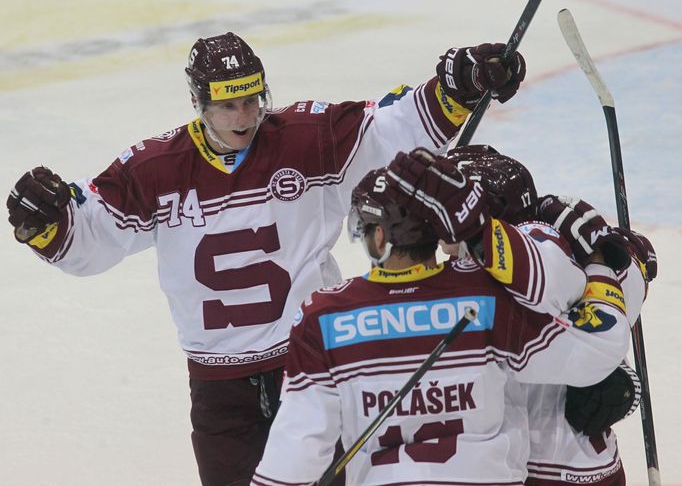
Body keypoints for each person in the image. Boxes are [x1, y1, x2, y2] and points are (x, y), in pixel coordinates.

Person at [5, 32, 526, 485]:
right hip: (218, 385)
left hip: (309, 365)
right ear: (197, 102)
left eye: (252, 100)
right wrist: (47, 224)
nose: (245, 115)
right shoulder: (155, 170)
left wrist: (456, 88)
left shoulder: (306, 139)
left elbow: (390, 127)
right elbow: (89, 241)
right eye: (228, 105)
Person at [251, 149, 631, 485]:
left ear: (379, 238)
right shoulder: (487, 296)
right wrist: (601, 268)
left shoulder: (324, 315)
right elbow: (594, 353)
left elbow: (296, 448)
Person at [443, 145, 656, 486]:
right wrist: (621, 251)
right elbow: (628, 289)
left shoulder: (500, 273)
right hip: (599, 467)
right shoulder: (573, 253)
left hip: (535, 468)